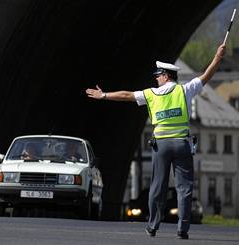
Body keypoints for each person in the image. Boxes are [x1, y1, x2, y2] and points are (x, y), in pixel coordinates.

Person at [86, 43, 225, 240]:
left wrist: (104, 95)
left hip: (161, 145)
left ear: (166, 76)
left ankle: (152, 226)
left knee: (157, 186)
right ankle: (182, 229)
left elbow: (126, 95)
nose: (156, 78)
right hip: (181, 144)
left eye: (158, 75)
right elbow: (206, 75)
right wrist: (218, 57)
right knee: (184, 188)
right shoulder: (184, 90)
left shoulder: (151, 94)